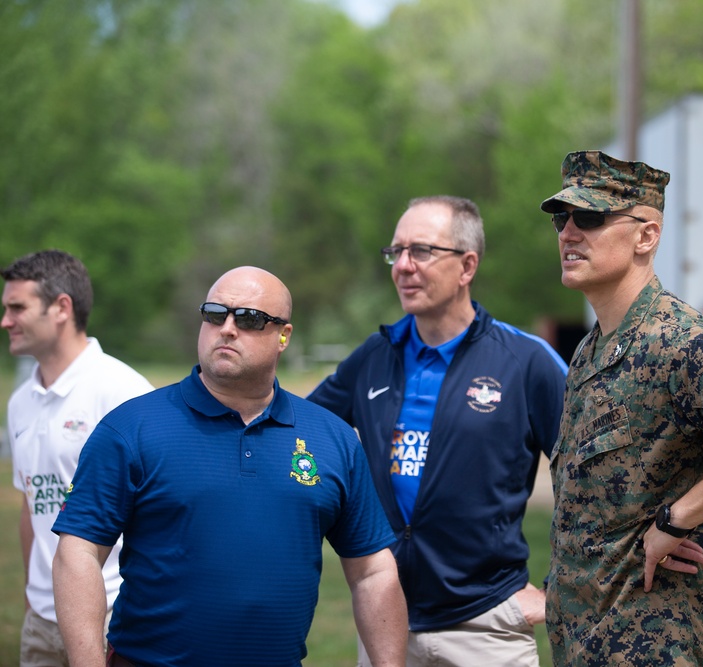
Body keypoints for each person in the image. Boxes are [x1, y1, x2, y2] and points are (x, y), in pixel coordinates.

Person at [51, 266, 407, 667]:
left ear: (284, 336)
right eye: (215, 314)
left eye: (250, 319)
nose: (227, 328)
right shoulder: (130, 428)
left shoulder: (333, 438)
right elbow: (78, 551)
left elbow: (372, 571)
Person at [539, 151, 703, 666]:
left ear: (646, 235)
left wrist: (677, 520)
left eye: (591, 218)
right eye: (562, 218)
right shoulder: (591, 349)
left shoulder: (679, 342)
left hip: (657, 645)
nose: (569, 233)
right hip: (586, 642)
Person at [307, 196, 568, 667]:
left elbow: (592, 478)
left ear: (467, 265)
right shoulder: (374, 356)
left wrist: (560, 588)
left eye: (422, 251)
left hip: (486, 624)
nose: (403, 266)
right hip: (387, 621)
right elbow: (300, 432)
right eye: (396, 252)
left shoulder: (525, 362)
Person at [2, 249, 154, 667]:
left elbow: (160, 512)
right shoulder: (20, 402)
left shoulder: (122, 391)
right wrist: (35, 598)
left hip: (109, 616)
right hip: (40, 622)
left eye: (17, 307)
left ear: (61, 308)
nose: (5, 321)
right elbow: (33, 506)